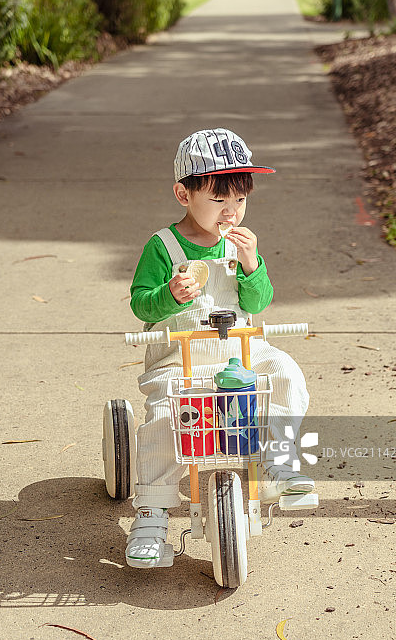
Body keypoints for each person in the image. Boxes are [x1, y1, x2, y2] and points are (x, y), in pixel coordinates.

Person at [126, 128, 314, 568]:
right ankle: (152, 513)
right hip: (181, 355)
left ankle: (280, 461)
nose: (232, 212)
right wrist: (171, 294)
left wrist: (251, 264)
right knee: (163, 416)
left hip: (241, 352)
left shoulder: (238, 245)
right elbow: (140, 303)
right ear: (183, 194)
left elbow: (258, 302)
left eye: (240, 201)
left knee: (284, 372)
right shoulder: (164, 246)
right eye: (219, 200)